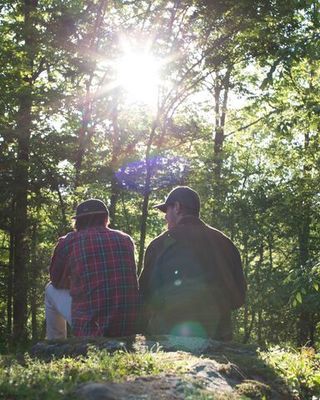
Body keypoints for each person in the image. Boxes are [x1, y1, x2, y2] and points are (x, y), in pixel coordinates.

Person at [139, 186, 246, 341]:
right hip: (218, 337)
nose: (165, 217)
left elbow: (145, 293)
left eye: (166, 210)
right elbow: (238, 298)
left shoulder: (160, 244)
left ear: (177, 207)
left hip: (168, 336)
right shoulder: (225, 243)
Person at [45, 199, 140, 339]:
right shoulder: (125, 239)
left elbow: (55, 280)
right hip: (128, 325)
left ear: (78, 221)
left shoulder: (69, 241)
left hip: (91, 328)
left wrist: (76, 284)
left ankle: (56, 343)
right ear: (106, 218)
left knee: (50, 289)